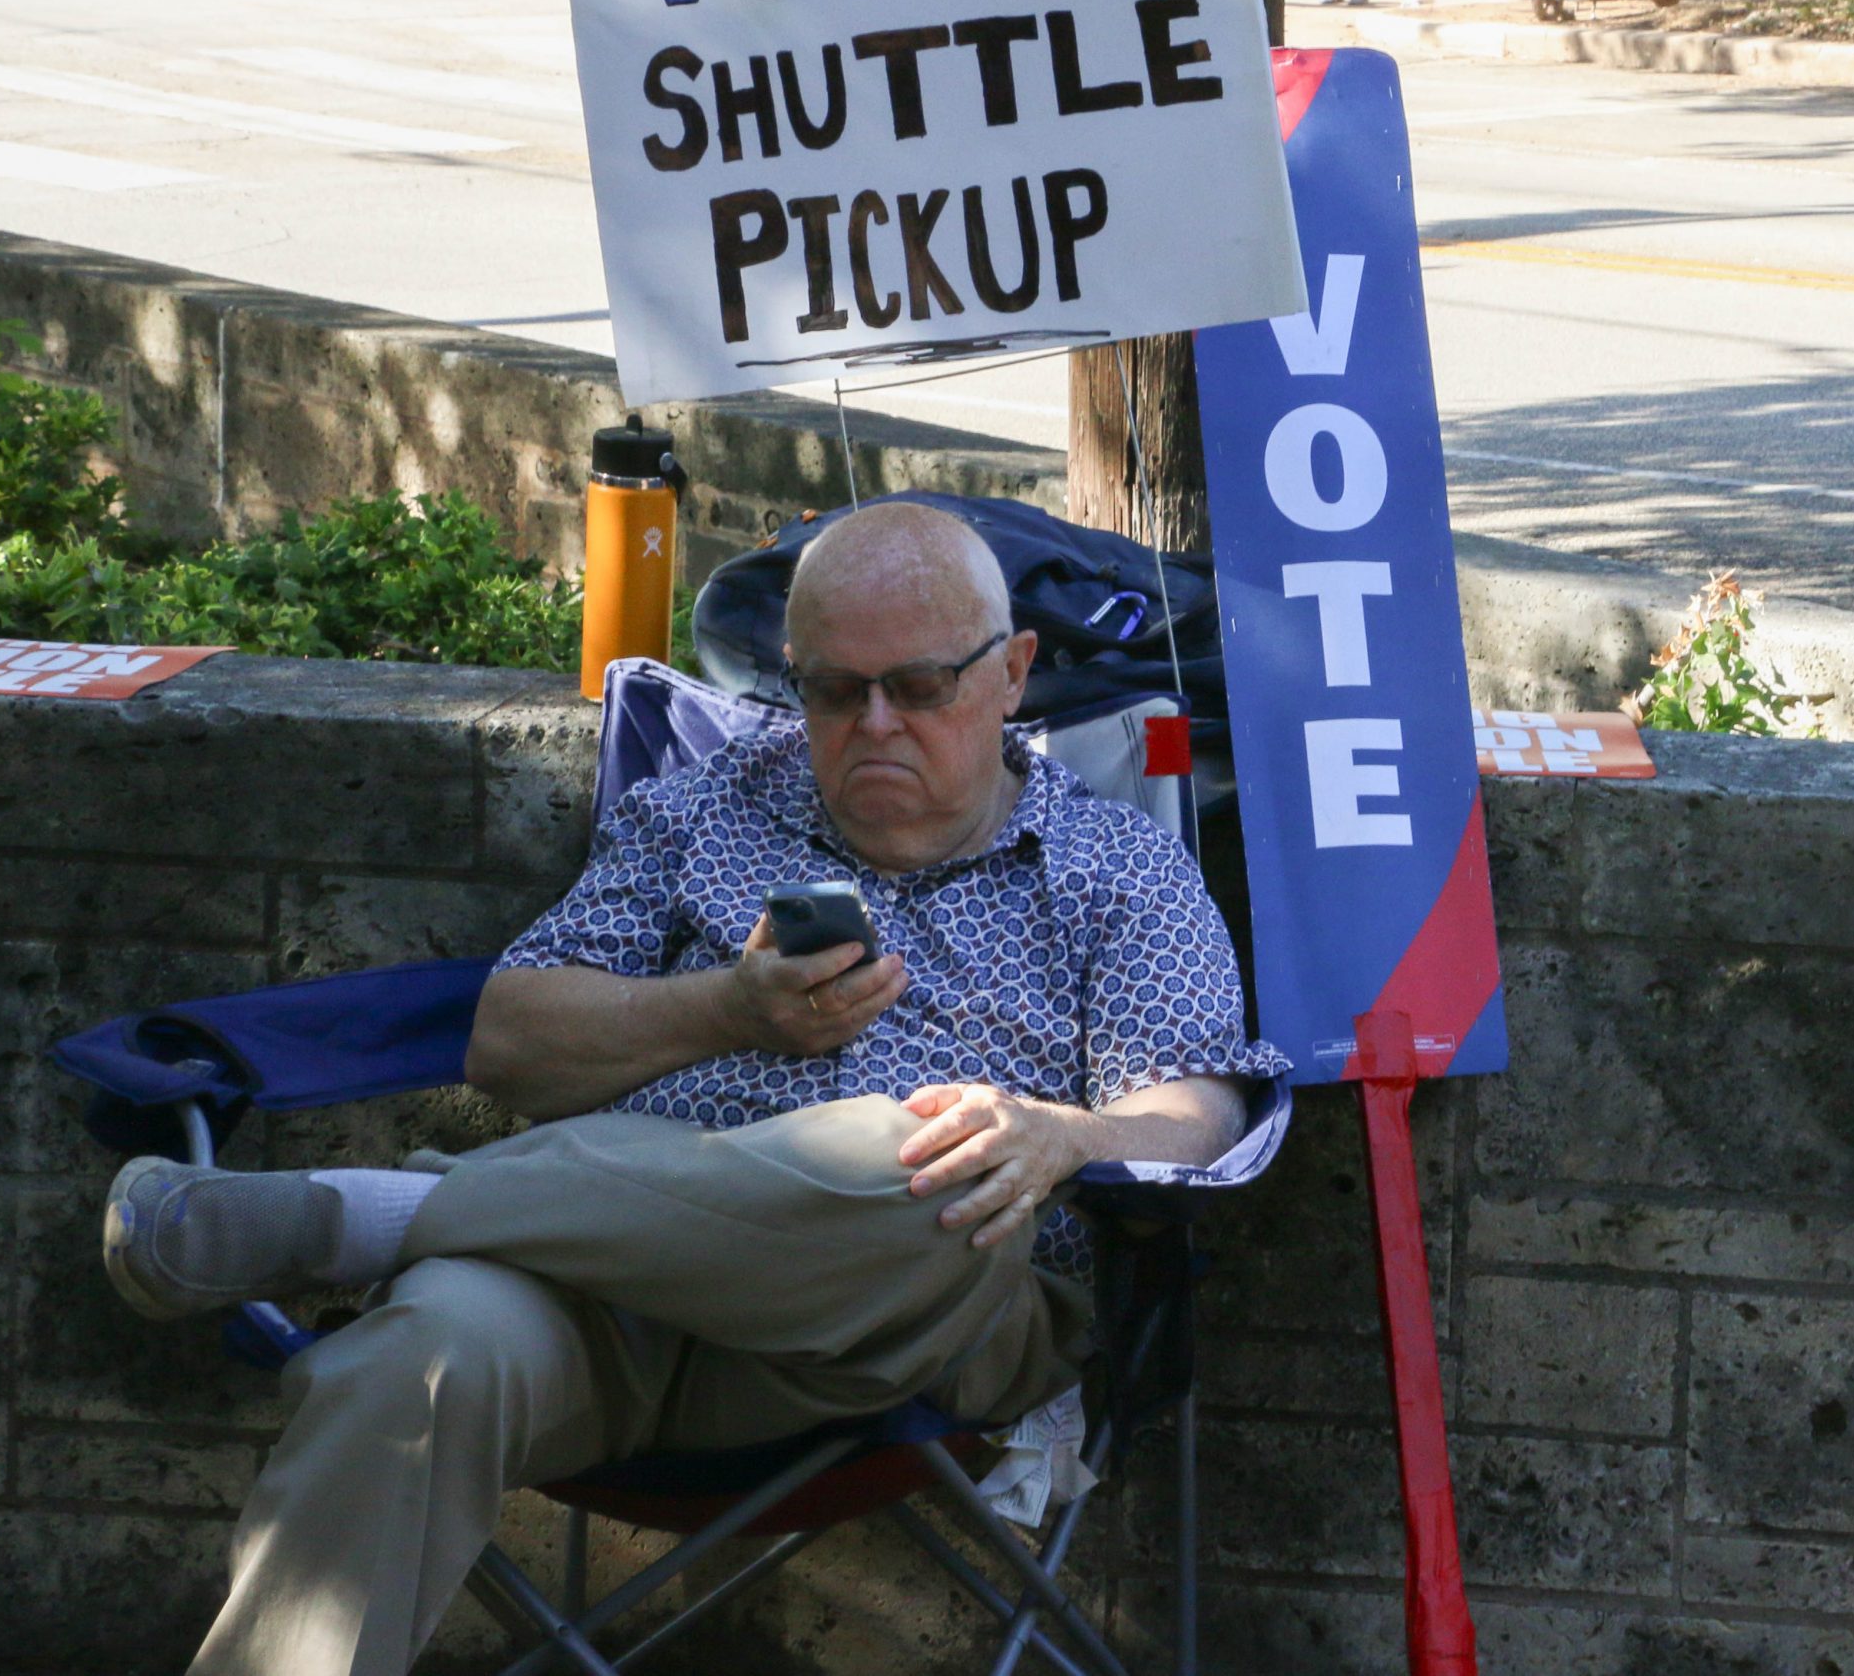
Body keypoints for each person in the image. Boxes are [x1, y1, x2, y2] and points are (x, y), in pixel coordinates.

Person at [98, 499, 1290, 1676]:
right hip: (608, 1299)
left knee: (919, 1154)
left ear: (1013, 670)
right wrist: (725, 1005)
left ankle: (378, 1215)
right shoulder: (711, 804)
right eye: (833, 689)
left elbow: (1201, 1111)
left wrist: (1060, 1133)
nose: (874, 722)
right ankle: (411, 1236)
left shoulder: (1115, 866)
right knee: (411, 1363)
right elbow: (510, 1039)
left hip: (906, 1322)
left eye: (920, 688)